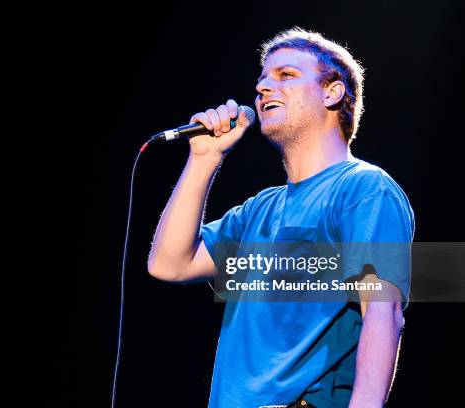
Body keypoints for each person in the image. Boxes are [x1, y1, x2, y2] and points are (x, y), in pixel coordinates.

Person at [147, 28, 414, 408]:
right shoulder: (259, 209)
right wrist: (204, 159)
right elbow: (168, 264)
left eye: (285, 75)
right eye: (261, 82)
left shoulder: (363, 188)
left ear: (332, 92)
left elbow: (384, 312)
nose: (263, 89)